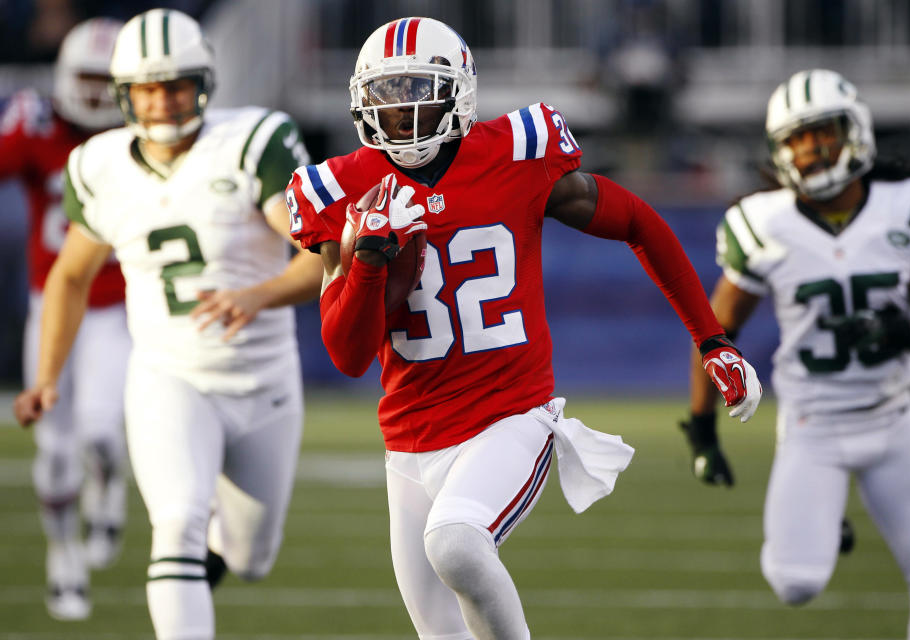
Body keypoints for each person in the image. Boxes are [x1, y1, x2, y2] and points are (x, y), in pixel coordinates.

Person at [286, 17, 762, 640]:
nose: (401, 112)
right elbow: (348, 356)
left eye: (417, 91)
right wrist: (370, 263)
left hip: (510, 416)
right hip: (410, 440)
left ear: (458, 92)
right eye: (386, 94)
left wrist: (711, 338)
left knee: (457, 545)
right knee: (441, 630)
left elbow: (639, 222)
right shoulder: (341, 190)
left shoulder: (515, 152)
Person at [13, 9, 323, 639]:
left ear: (204, 81)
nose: (163, 100)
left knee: (250, 557)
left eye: (177, 83)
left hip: (263, 381)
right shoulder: (99, 165)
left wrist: (259, 295)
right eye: (149, 87)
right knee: (176, 521)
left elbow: (320, 254)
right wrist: (47, 377)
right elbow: (70, 275)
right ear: (126, 92)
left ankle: (217, 555)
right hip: (168, 373)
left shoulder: (253, 140)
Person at [684, 68, 910, 638]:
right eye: (795, 138)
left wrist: (902, 334)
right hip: (813, 424)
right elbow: (714, 333)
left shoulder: (908, 207)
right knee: (796, 582)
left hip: (893, 418)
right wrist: (702, 430)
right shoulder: (764, 222)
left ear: (853, 131)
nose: (809, 148)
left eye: (821, 132)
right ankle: (825, 517)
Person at [0, 17, 129, 621]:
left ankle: (107, 483)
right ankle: (64, 554)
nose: (99, 93)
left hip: (116, 305)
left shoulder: (145, 133)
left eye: (109, 80)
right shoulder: (36, 123)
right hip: (49, 302)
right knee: (53, 446)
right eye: (88, 79)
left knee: (103, 430)